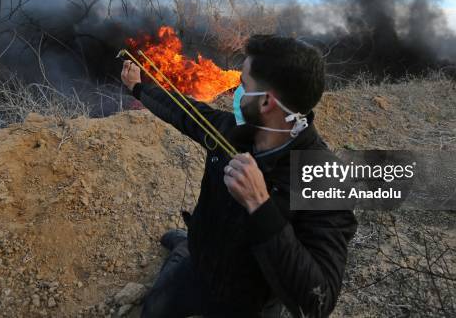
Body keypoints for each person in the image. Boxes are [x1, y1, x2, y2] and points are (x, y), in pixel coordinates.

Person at [121, 35, 357, 318]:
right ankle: (185, 247)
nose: (235, 90)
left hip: (249, 302)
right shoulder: (233, 131)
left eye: (243, 86)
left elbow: (318, 302)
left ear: (267, 102)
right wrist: (138, 88)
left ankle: (184, 247)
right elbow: (186, 113)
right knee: (153, 312)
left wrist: (261, 207)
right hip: (201, 264)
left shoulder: (325, 178)